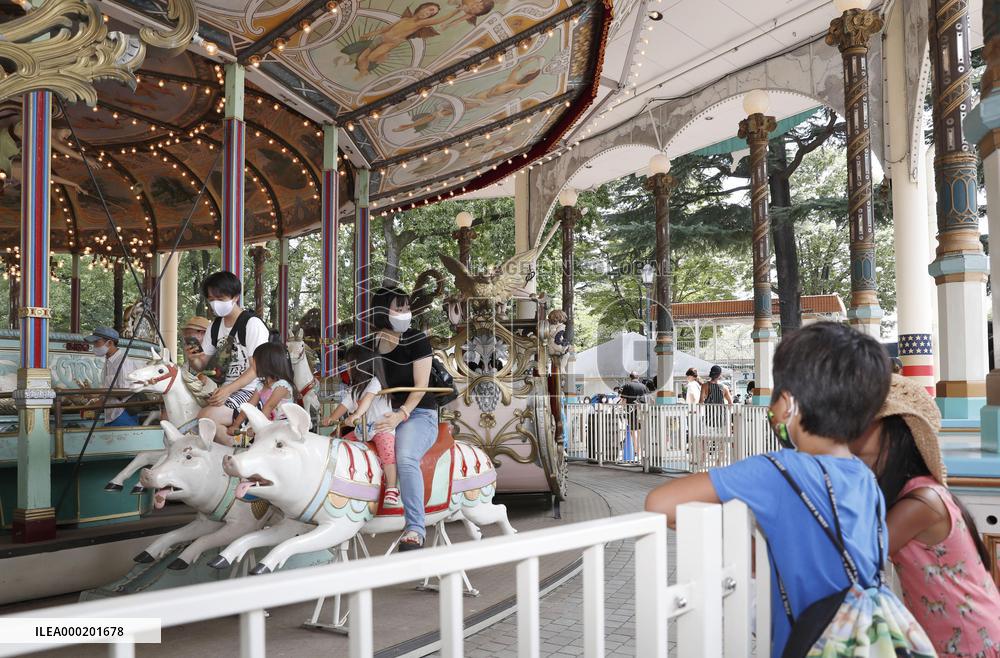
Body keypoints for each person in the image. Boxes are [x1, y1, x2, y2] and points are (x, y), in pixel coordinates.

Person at [645, 323, 899, 658]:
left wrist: (736, 534)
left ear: (788, 403)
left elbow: (660, 503)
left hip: (812, 644)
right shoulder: (865, 478)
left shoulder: (779, 470)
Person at [851, 375, 1000, 656]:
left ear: (893, 433)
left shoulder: (921, 503)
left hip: (969, 640)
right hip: (948, 637)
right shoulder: (909, 494)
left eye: (863, 423)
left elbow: (855, 555)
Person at [367, 286, 438, 550]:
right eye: (399, 308)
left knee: (405, 456)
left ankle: (415, 528)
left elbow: (421, 386)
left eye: (406, 308)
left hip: (418, 413)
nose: (405, 313)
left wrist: (401, 414)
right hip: (382, 411)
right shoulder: (369, 344)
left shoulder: (416, 339)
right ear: (382, 312)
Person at [185, 272, 270, 444]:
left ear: (235, 297)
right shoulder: (215, 327)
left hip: (253, 391)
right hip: (225, 389)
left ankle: (239, 454)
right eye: (211, 298)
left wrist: (227, 390)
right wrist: (192, 357)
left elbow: (256, 368)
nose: (215, 303)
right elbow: (202, 365)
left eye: (220, 298)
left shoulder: (252, 324)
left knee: (207, 417)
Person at [321, 345, 400, 506]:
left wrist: (356, 415)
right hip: (362, 430)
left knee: (387, 452)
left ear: (360, 365)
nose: (347, 369)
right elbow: (344, 405)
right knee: (342, 445)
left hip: (381, 427)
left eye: (350, 365)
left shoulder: (375, 382)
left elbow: (368, 400)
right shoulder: (355, 389)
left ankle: (392, 488)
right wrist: (331, 418)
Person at [229, 343, 298, 439]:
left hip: (283, 427)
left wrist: (256, 427)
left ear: (266, 364)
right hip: (268, 424)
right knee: (242, 439)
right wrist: (236, 424)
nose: (252, 364)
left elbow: (269, 406)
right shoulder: (261, 386)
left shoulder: (282, 385)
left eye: (255, 361)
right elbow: (249, 406)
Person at [84, 326, 141, 426]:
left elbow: (126, 391)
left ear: (109, 343)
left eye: (97, 342)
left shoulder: (123, 362)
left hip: (123, 414)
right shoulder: (108, 361)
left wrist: (100, 394)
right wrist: (95, 399)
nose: (95, 346)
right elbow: (109, 391)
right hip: (111, 415)